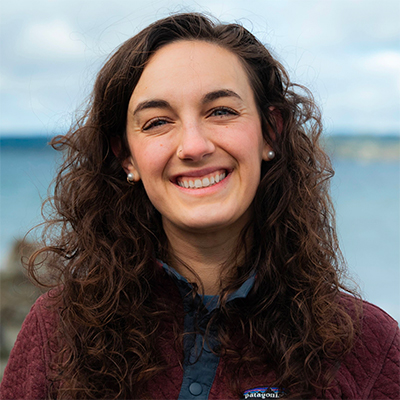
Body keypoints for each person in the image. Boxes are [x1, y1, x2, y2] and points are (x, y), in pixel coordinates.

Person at [1, 12, 399, 400]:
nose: (194, 146)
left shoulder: (370, 347)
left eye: (221, 111)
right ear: (126, 156)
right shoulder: (57, 328)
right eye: (157, 121)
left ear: (270, 130)